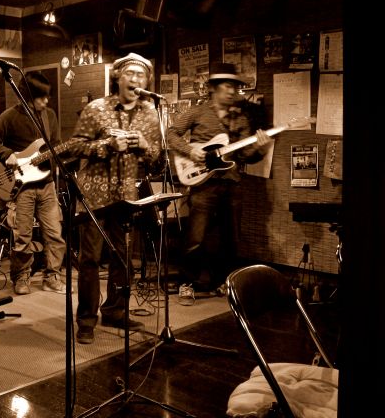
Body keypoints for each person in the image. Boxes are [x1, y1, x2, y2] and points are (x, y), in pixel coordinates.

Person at [67, 53, 161, 344]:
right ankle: (86, 320)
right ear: (118, 77)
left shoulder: (150, 113)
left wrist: (145, 146)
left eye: (141, 75)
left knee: (123, 257)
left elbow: (156, 156)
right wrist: (107, 146)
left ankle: (115, 311)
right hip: (94, 194)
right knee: (90, 259)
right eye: (130, 73)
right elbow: (74, 146)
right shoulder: (96, 108)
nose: (135, 79)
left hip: (126, 195)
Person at [166, 62, 272, 305]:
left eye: (235, 87)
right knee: (195, 237)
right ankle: (187, 284)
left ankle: (224, 282)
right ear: (213, 88)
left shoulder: (241, 118)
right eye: (227, 86)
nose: (233, 91)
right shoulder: (197, 112)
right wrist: (190, 151)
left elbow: (245, 156)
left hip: (231, 183)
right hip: (202, 183)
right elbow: (171, 133)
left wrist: (260, 147)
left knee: (231, 238)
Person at [0, 70, 66, 295]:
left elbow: (56, 144)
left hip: (46, 184)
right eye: (41, 97)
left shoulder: (49, 116)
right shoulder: (9, 117)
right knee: (22, 236)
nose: (46, 101)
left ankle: (52, 276)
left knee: (55, 234)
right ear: (27, 96)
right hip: (21, 187)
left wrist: (65, 152)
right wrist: (7, 154)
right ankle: (21, 277)